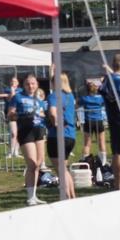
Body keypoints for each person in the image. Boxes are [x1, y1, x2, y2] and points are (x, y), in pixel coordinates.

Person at [6, 73, 48, 206]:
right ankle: (30, 196)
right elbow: (10, 115)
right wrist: (16, 114)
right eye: (28, 84)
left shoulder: (39, 99)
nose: (30, 86)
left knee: (39, 163)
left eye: (33, 83)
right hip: (25, 131)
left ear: (37, 85)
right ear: (23, 85)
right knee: (32, 164)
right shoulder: (18, 97)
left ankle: (34, 195)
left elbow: (43, 114)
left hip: (39, 130)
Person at [46, 72, 77, 200]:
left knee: (60, 170)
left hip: (57, 136)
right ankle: (72, 195)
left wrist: (55, 124)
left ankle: (66, 196)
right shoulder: (70, 96)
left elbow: (53, 113)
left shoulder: (54, 96)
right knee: (64, 168)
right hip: (71, 135)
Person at [99, 54, 120, 191]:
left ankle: (119, 182)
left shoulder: (109, 79)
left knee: (118, 151)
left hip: (113, 118)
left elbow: (103, 92)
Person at [80, 81, 107, 165]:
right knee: (101, 142)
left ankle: (85, 161)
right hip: (98, 121)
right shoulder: (100, 98)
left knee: (87, 144)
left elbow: (78, 104)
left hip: (88, 121)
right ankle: (103, 162)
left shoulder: (84, 98)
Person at [0, 75, 22, 159]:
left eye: (15, 81)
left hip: (19, 113)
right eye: (12, 81)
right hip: (10, 113)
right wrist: (9, 93)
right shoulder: (7, 89)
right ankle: (10, 152)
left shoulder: (21, 90)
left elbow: (14, 97)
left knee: (18, 133)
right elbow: (10, 98)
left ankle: (16, 151)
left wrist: (7, 95)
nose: (13, 83)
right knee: (13, 133)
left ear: (18, 83)